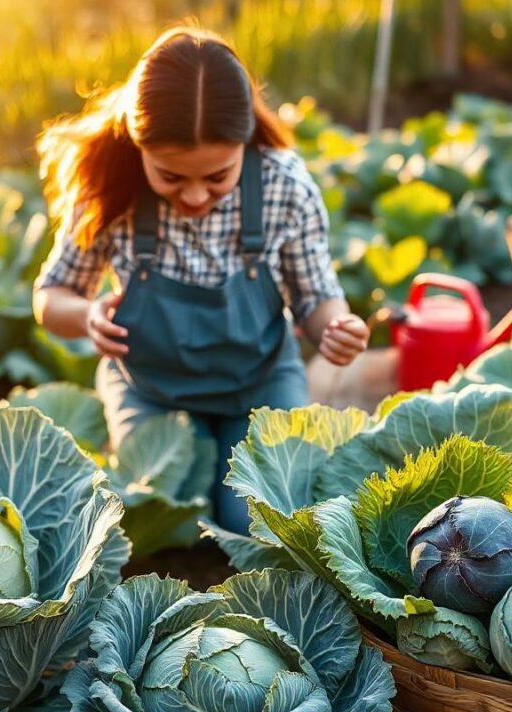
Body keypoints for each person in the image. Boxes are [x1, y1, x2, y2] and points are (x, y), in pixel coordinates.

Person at [32, 25, 369, 535]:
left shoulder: (282, 184)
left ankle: (226, 457)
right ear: (137, 142)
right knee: (166, 516)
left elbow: (316, 296)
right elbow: (50, 298)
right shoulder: (108, 187)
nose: (193, 197)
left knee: (252, 522)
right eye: (170, 176)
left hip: (259, 382)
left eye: (217, 177)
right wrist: (86, 315)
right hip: (149, 388)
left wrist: (336, 327)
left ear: (245, 142)